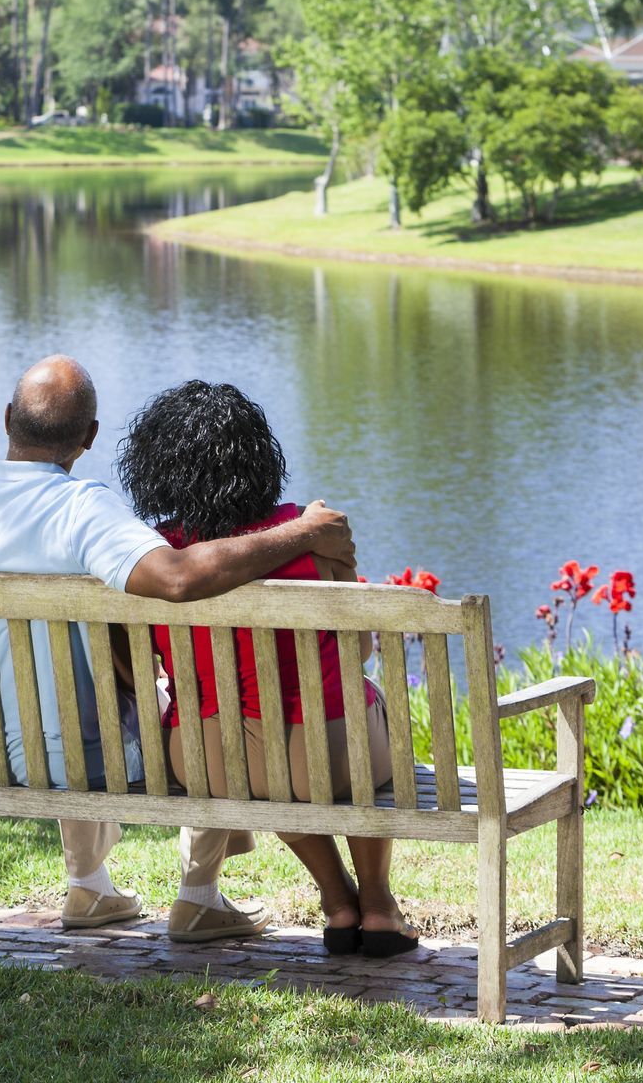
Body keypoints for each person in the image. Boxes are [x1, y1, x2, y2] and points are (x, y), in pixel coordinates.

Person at [0, 355, 359, 943]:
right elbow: (176, 577)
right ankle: (198, 897)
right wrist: (301, 531)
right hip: (65, 754)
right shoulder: (79, 508)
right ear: (90, 437)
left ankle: (90, 885)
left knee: (68, 688)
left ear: (7, 419)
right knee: (199, 704)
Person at [116, 380, 419, 957]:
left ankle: (337, 903)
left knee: (261, 753)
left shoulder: (155, 553)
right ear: (258, 457)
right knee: (352, 710)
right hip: (321, 755)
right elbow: (356, 654)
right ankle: (377, 906)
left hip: (203, 758)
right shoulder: (314, 536)